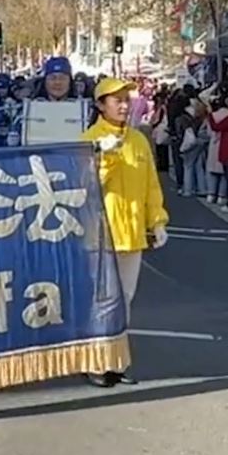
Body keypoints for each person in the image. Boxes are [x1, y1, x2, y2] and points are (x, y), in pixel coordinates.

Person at [81, 77, 168, 387]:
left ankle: (115, 361)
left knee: (125, 300)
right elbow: (87, 189)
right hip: (100, 237)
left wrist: (157, 220)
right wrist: (106, 157)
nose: (122, 103)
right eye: (115, 99)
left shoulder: (139, 140)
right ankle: (95, 362)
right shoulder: (89, 140)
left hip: (131, 236)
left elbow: (151, 186)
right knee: (102, 300)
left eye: (125, 98)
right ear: (100, 105)